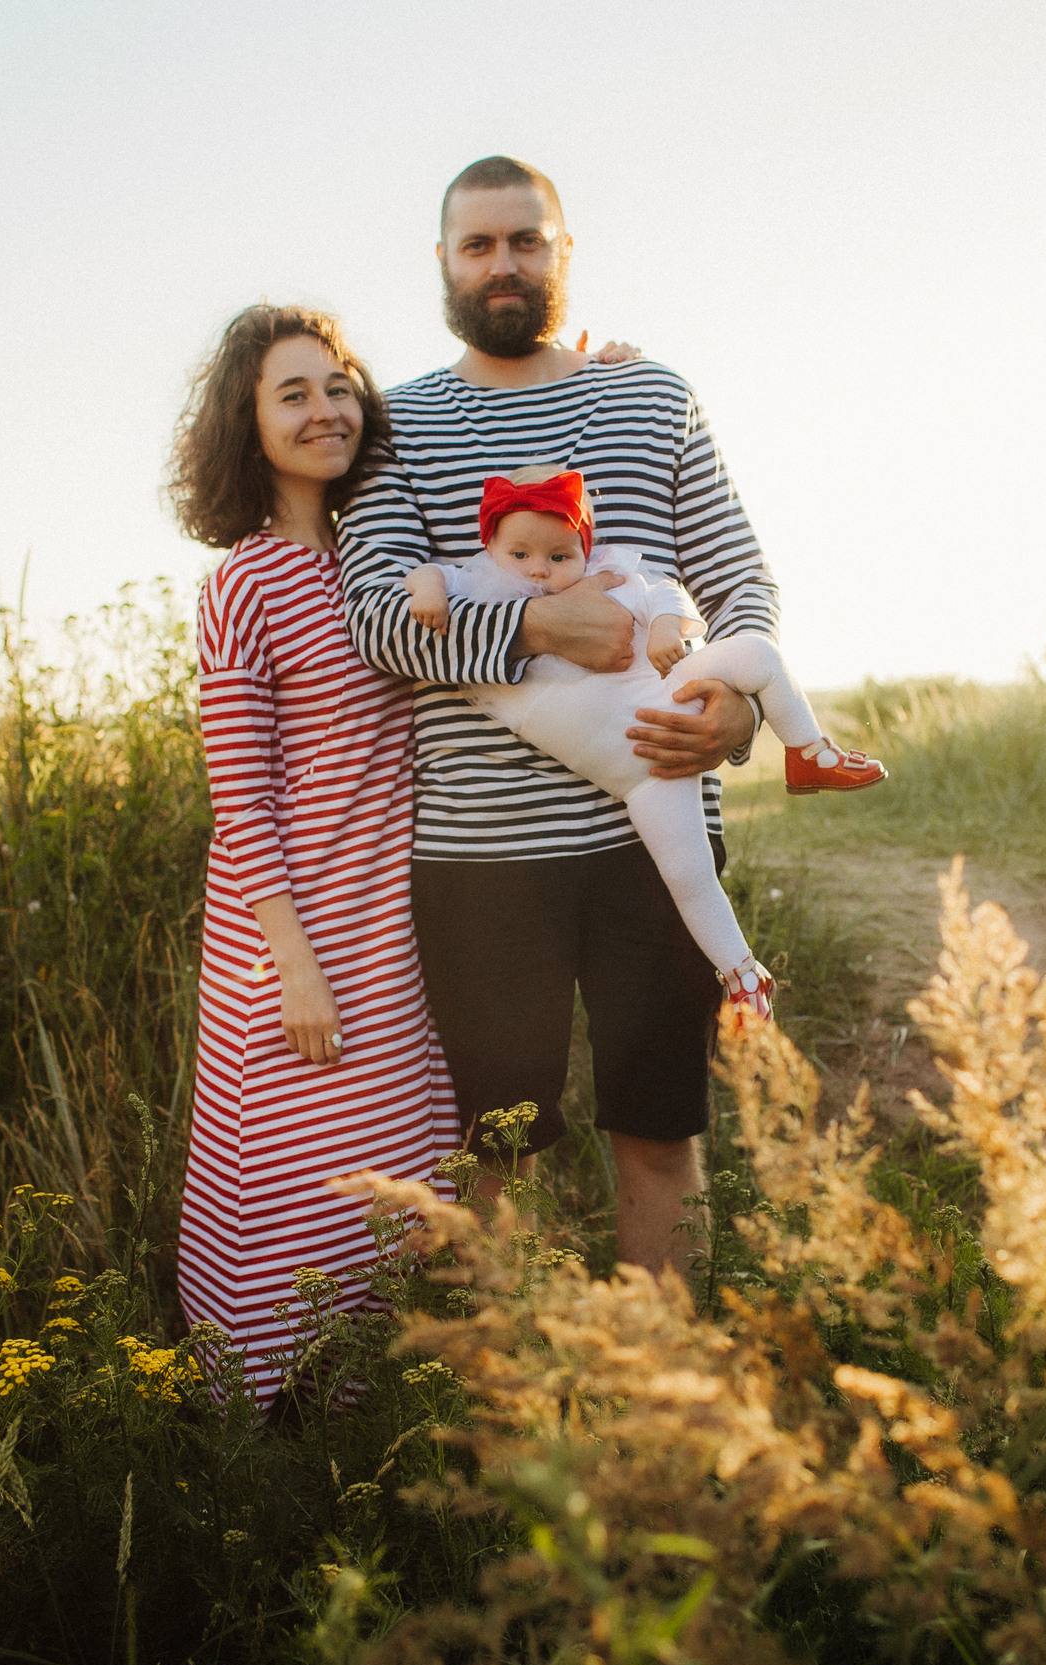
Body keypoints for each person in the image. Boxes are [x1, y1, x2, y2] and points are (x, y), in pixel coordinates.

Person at [337, 153, 795, 1276]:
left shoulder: (653, 397)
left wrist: (737, 706)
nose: (503, 264)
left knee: (660, 1136)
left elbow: (740, 580)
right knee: (498, 1155)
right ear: (443, 261)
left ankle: (662, 1388)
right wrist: (542, 627)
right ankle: (509, 1389)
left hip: (655, 835)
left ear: (564, 251)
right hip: (481, 856)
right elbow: (376, 621)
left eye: (525, 240)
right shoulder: (394, 427)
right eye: (478, 244)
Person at [165, 304, 459, 1403]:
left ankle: (367, 1406)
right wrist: (293, 964)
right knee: (291, 1173)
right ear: (246, 423)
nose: (326, 410)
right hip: (294, 932)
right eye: (292, 394)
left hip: (397, 924)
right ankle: (251, 1415)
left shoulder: (388, 563)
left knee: (400, 1163)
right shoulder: (242, 584)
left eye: (339, 388)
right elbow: (240, 803)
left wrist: (588, 360)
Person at [402, 462, 887, 1018]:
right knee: (686, 873)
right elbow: (425, 573)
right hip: (638, 774)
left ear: (584, 550)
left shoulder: (606, 575)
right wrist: (428, 591)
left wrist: (662, 627)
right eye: (520, 554)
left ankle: (808, 753)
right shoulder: (477, 584)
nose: (539, 570)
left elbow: (666, 593)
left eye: (560, 556)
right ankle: (742, 973)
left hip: (670, 698)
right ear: (491, 546)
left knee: (757, 655)